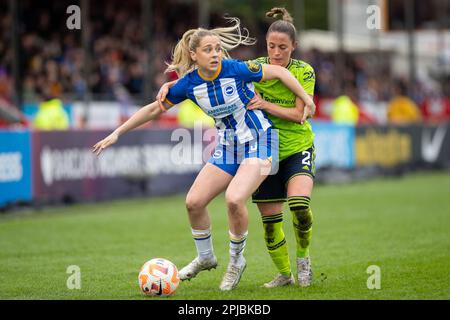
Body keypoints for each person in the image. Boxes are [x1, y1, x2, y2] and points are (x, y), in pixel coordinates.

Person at [93, 17, 316, 291]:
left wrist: (306, 100)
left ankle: (236, 261)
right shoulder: (188, 84)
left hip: (261, 141)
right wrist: (118, 133)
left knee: (235, 199)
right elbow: (154, 109)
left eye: (218, 49)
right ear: (194, 55)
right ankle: (206, 257)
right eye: (208, 50)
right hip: (229, 147)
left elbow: (281, 73)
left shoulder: (236, 69)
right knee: (194, 202)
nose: (215, 54)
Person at [246, 7, 317, 288]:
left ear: (294, 47)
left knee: (300, 205)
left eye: (283, 48)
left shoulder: (304, 71)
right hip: (264, 149)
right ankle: (285, 275)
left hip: (298, 145)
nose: (276, 53)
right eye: (271, 46)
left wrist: (264, 104)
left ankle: (304, 261)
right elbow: (221, 76)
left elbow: (300, 114)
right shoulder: (255, 68)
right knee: (271, 220)